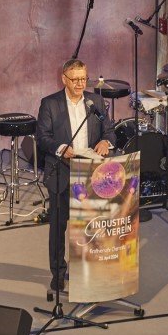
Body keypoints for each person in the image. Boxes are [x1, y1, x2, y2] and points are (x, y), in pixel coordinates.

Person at [36, 59, 116, 291]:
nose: (80, 84)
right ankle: (58, 273)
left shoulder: (96, 102)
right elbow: (42, 137)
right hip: (61, 171)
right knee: (58, 227)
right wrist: (61, 148)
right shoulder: (50, 104)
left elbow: (110, 131)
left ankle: (88, 269)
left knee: (90, 225)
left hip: (91, 173)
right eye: (75, 79)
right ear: (64, 79)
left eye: (84, 79)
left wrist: (106, 142)